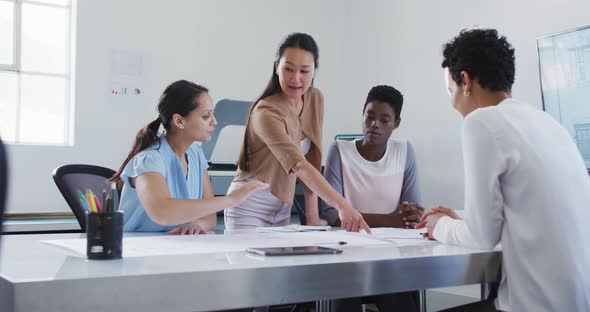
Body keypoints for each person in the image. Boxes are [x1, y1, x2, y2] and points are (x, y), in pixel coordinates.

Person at [416, 28, 590, 312]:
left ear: (465, 81)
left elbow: (482, 236)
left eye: (451, 91)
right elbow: (524, 213)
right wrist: (460, 216)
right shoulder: (548, 124)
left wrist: (440, 226)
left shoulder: (481, 122)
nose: (453, 102)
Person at [225, 32, 370, 233]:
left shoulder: (314, 99)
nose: (296, 78)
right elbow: (299, 165)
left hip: (282, 210)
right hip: (249, 208)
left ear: (314, 71)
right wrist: (342, 205)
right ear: (277, 67)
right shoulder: (266, 112)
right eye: (289, 69)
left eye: (304, 71)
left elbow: (311, 160)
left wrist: (313, 217)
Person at [110, 80, 266, 233]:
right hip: (137, 248)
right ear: (179, 121)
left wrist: (200, 225)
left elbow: (209, 216)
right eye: (206, 116)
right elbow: (162, 212)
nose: (214, 121)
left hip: (177, 246)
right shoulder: (149, 160)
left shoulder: (196, 155)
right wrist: (230, 200)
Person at [319, 85, 422, 312]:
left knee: (401, 301)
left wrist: (410, 217)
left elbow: (413, 211)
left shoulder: (405, 150)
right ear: (363, 115)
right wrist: (391, 220)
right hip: (347, 253)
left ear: (397, 123)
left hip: (390, 254)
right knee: (345, 296)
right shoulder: (339, 150)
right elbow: (330, 214)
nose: (374, 124)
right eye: (370, 116)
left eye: (384, 120)